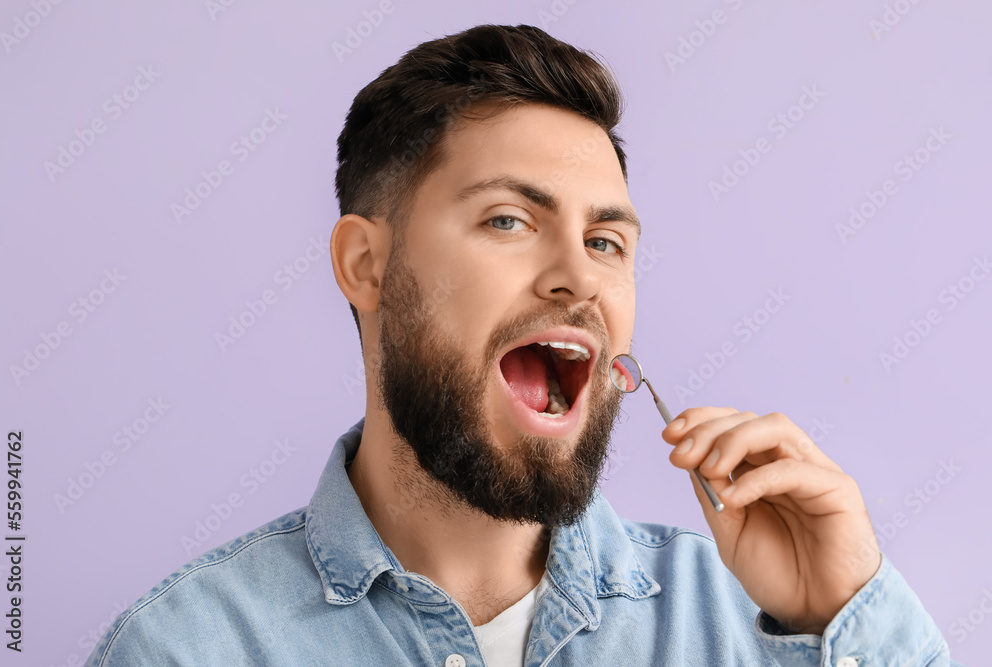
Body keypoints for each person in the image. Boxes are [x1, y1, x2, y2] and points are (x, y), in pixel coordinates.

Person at [88, 23, 962, 666]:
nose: (578, 279)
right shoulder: (186, 648)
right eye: (509, 220)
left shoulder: (759, 626)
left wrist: (847, 610)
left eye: (607, 242)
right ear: (365, 265)